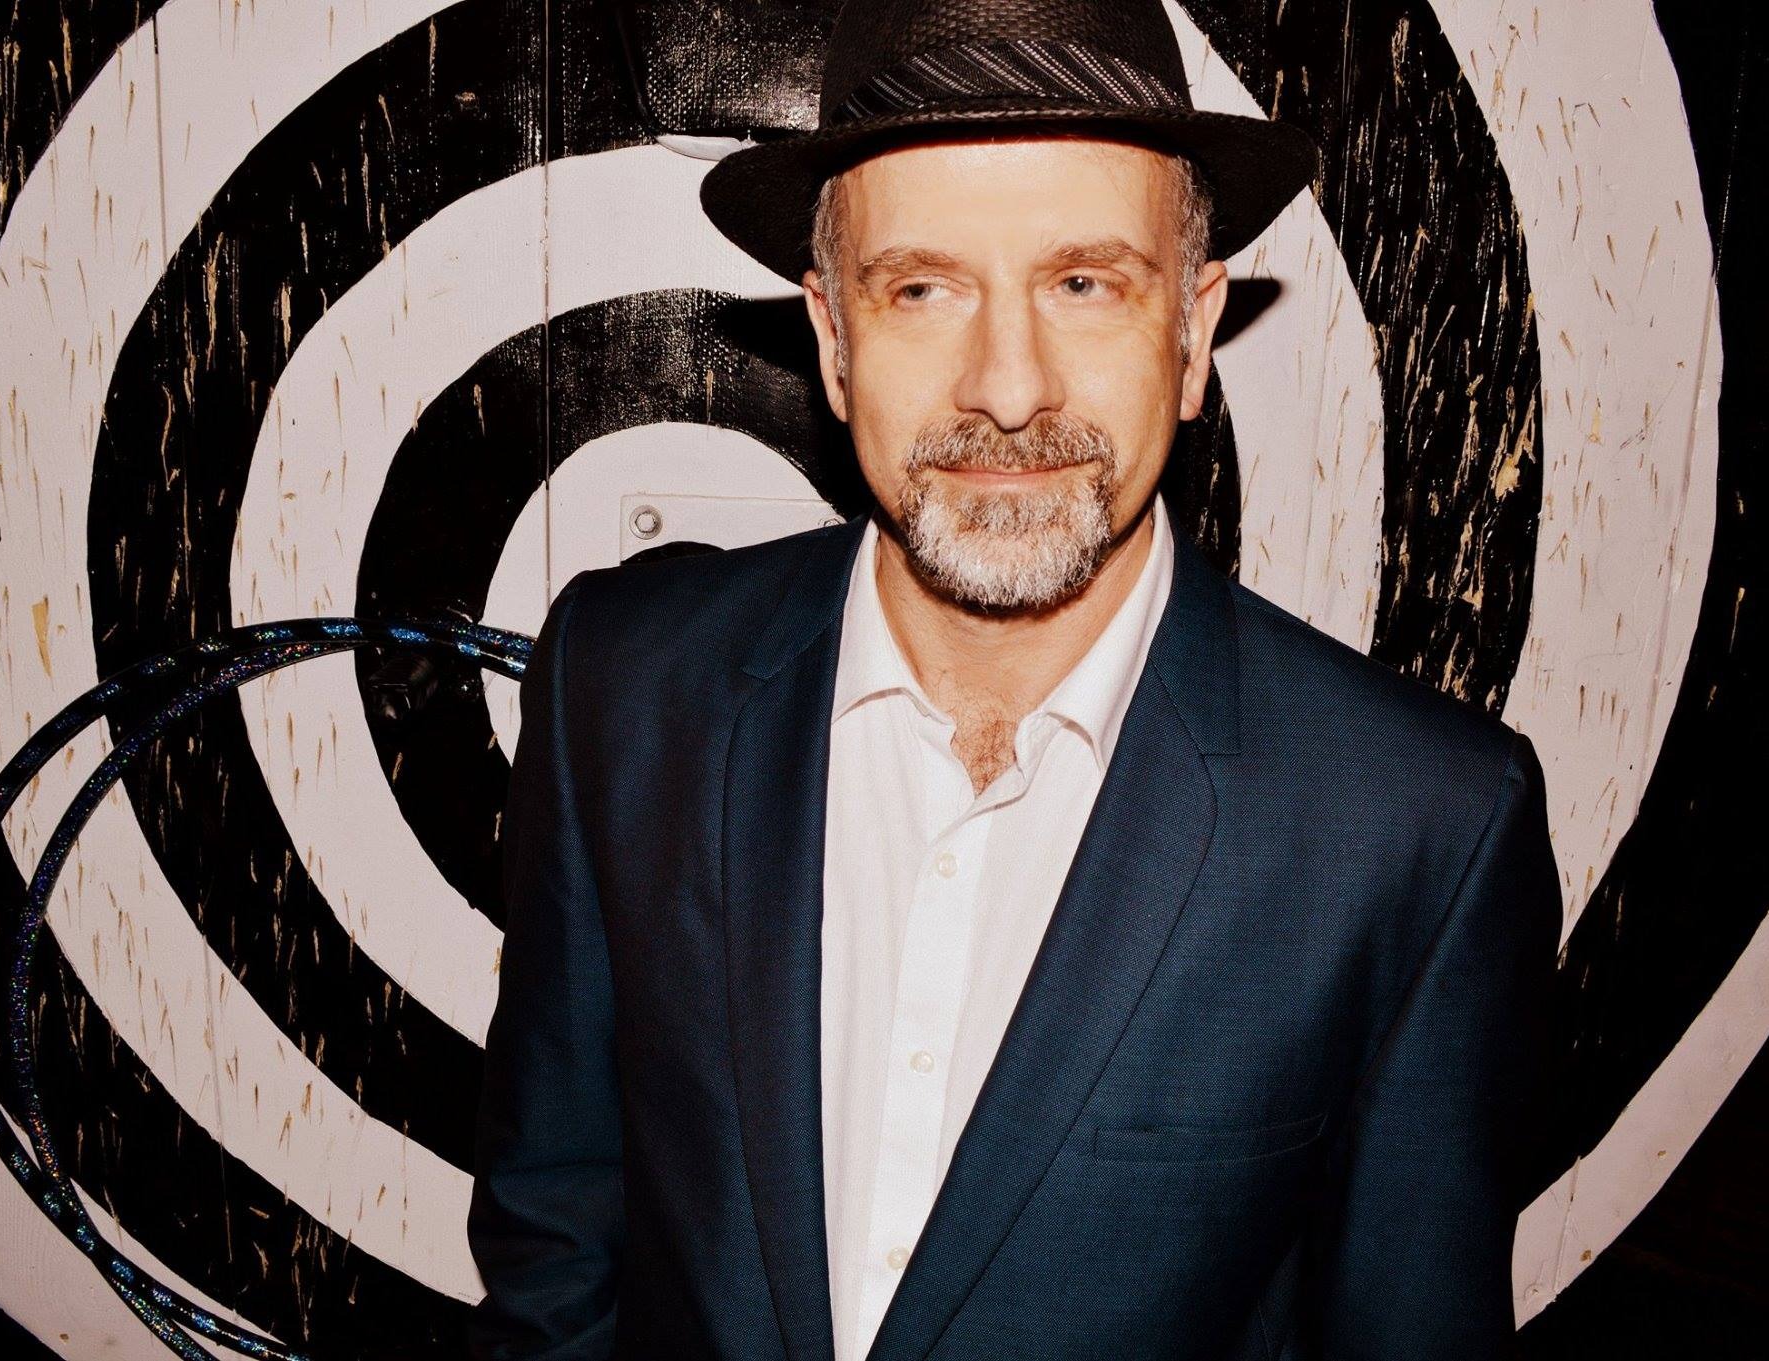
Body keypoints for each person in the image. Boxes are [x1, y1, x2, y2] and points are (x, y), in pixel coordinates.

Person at [467, 1, 1560, 1357]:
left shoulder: (1413, 827)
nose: (1006, 387)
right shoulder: (625, 689)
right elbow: (555, 1234)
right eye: (922, 288)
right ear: (834, 339)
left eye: (1084, 283)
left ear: (1192, 333)